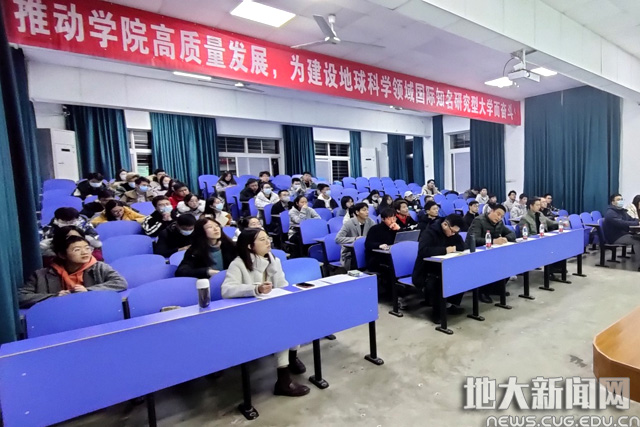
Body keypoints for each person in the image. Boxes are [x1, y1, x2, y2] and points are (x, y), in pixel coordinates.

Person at [222, 228, 309, 397]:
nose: (268, 242)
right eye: (262, 240)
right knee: (282, 327)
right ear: (249, 246)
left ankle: (292, 357)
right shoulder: (238, 264)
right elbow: (226, 290)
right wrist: (255, 289)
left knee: (296, 316)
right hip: (250, 313)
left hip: (272, 309)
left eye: (267, 238)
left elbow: (282, 284)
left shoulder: (273, 260)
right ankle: (283, 380)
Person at [19, 235, 127, 308]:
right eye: (77, 250)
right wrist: (54, 297)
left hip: (93, 309)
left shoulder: (99, 267)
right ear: (62, 255)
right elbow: (21, 297)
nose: (85, 252)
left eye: (87, 248)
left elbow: (120, 283)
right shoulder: (41, 275)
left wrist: (88, 290)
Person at [412, 214, 466, 324]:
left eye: (456, 232)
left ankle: (450, 304)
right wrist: (445, 250)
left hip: (445, 267)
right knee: (439, 280)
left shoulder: (453, 234)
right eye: (452, 231)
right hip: (426, 271)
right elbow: (423, 251)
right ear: (445, 225)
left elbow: (462, 246)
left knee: (462, 275)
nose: (453, 234)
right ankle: (437, 312)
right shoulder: (429, 232)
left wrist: (454, 244)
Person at [468, 203, 516, 303]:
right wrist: (493, 241)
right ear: (491, 211)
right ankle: (482, 292)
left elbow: (512, 233)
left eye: (502, 216)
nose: (499, 218)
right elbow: (474, 239)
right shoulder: (479, 220)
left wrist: (505, 238)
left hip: (492, 252)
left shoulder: (499, 223)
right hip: (477, 253)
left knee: (509, 262)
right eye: (498, 214)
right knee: (489, 265)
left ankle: (496, 289)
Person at [335, 203, 375, 269]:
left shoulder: (370, 222)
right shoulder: (349, 223)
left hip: (365, 251)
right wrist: (355, 239)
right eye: (364, 210)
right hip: (350, 254)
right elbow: (338, 239)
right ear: (357, 212)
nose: (367, 212)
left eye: (367, 210)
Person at [604, 194, 640, 260]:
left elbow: (632, 219)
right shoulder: (610, 213)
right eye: (618, 200)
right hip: (615, 237)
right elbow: (622, 223)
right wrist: (636, 222)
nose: (621, 201)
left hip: (623, 234)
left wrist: (636, 221)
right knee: (637, 241)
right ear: (613, 202)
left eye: (621, 199)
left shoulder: (622, 211)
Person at [364, 208, 400, 272]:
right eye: (389, 219)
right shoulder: (375, 229)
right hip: (377, 258)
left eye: (394, 218)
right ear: (383, 219)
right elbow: (368, 244)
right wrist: (379, 245)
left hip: (392, 255)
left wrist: (399, 230)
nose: (392, 221)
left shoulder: (395, 228)